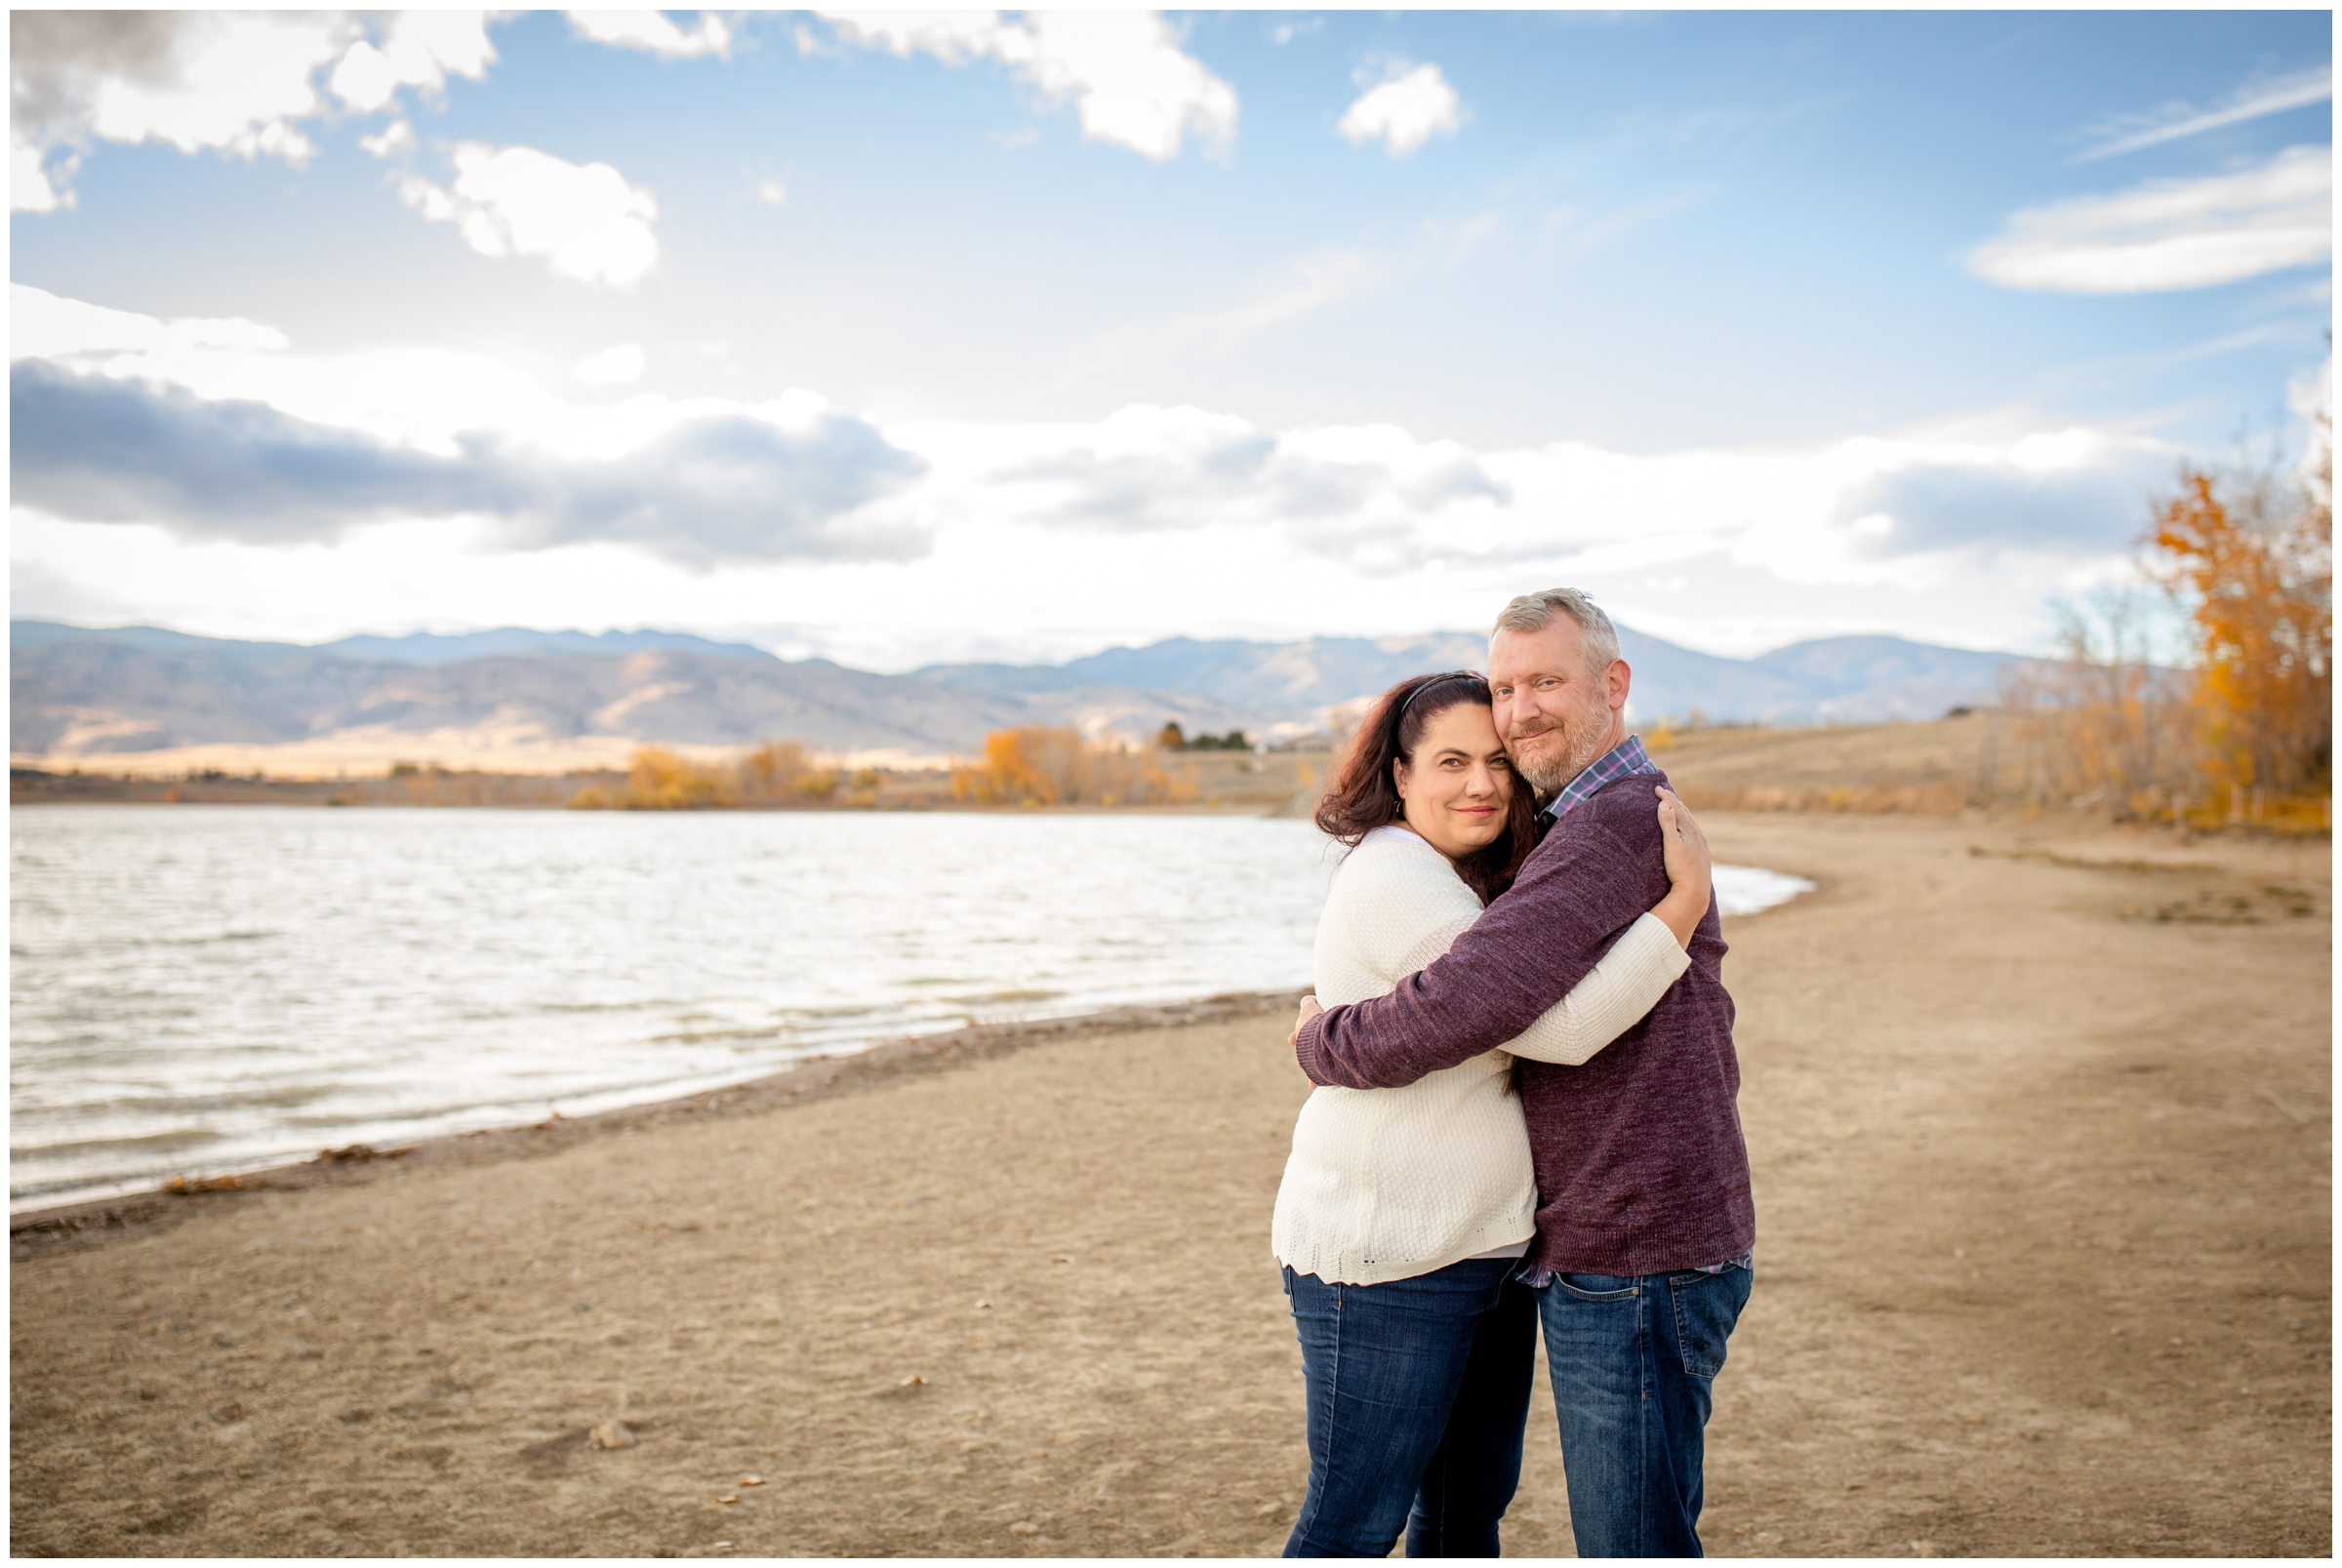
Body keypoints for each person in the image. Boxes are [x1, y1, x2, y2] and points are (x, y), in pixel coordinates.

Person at [1292, 588, 1755, 1558]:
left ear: (1612, 684)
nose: (1519, 717)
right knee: (1442, 1519)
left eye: (1544, 683)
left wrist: (1327, 1040)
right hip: (1571, 1239)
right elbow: (1487, 1000)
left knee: (1621, 1539)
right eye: (1505, 689)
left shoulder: (1604, 826)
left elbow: (1487, 1011)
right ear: (1401, 773)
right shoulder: (1559, 833)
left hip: (1628, 1242)